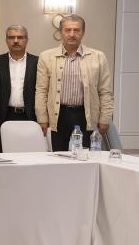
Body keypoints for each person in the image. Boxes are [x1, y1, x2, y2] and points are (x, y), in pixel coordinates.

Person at [35, 14, 114, 151]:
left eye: (77, 30)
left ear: (83, 32)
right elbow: (41, 90)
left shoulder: (98, 57)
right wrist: (42, 118)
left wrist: (105, 118)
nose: (72, 34)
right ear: (61, 32)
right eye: (68, 30)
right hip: (58, 115)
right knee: (58, 156)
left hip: (86, 115)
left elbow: (105, 91)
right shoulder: (46, 56)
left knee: (85, 156)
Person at [0, 25, 38, 152]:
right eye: (11, 37)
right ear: (6, 41)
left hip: (31, 115)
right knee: (3, 152)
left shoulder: (37, 62)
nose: (16, 41)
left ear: (27, 40)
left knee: (30, 153)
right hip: (4, 115)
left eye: (20, 37)